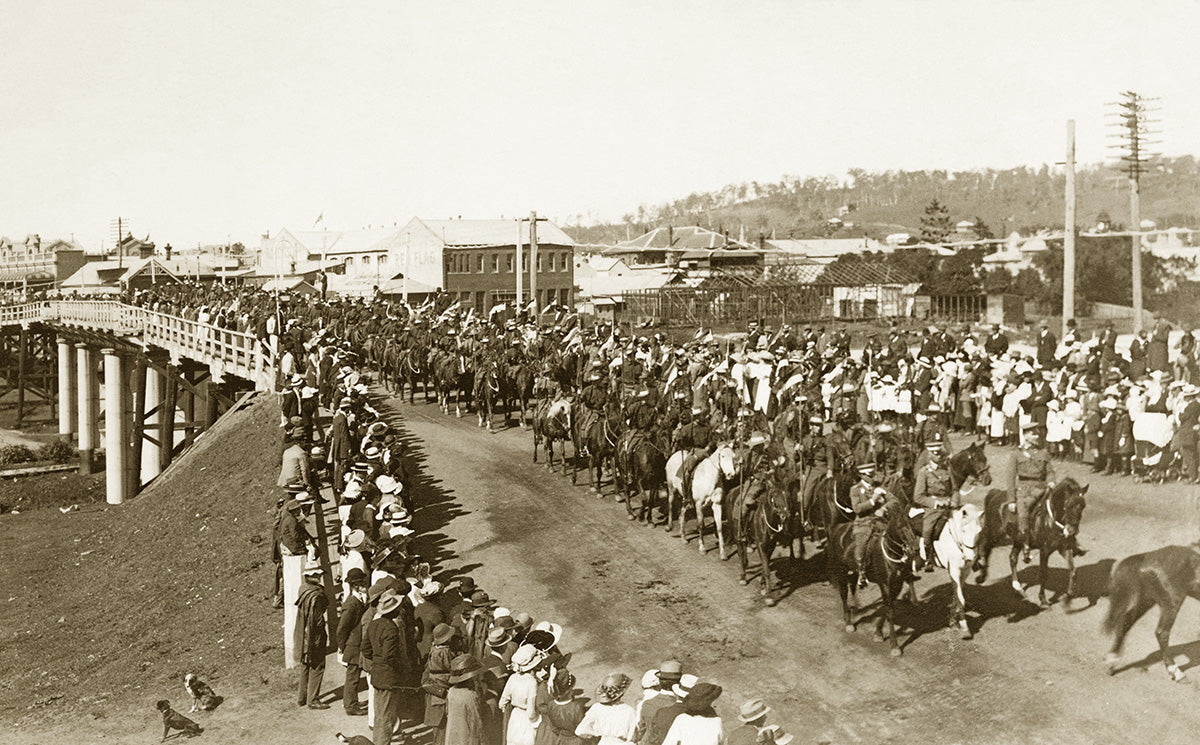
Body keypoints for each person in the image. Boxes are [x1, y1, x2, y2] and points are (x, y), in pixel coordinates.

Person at [361, 590, 406, 742]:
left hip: (377, 674)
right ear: (394, 611)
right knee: (386, 716)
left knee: (380, 713)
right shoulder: (392, 628)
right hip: (389, 677)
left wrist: (376, 661)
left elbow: (366, 649)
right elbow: (389, 656)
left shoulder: (374, 624)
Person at [913, 440, 956, 571]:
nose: (938, 456)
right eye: (935, 454)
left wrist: (954, 500)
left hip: (949, 506)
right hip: (934, 510)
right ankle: (927, 558)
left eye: (940, 453)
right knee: (927, 530)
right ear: (929, 455)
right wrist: (936, 503)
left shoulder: (947, 469)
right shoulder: (924, 472)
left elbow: (954, 489)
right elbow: (918, 497)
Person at [295, 564, 329, 709]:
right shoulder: (317, 594)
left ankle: (301, 697)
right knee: (317, 666)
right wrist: (319, 638)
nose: (319, 577)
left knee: (305, 665)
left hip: (302, 633)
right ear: (309, 576)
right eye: (316, 575)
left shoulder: (303, 589)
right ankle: (313, 699)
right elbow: (317, 620)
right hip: (314, 636)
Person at [336, 567, 369, 716]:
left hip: (358, 643)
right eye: (362, 583)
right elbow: (342, 629)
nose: (365, 585)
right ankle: (350, 705)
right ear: (355, 585)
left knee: (355, 675)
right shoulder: (350, 604)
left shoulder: (360, 599)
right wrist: (342, 647)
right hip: (353, 645)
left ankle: (352, 701)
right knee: (353, 677)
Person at [851, 462, 888, 590]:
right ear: (862, 475)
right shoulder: (855, 489)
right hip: (864, 522)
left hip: (881, 520)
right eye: (869, 475)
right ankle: (861, 573)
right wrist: (873, 500)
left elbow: (892, 500)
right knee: (860, 548)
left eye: (873, 474)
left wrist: (884, 507)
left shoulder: (878, 486)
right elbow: (856, 508)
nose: (872, 477)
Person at [500, 645, 544, 745]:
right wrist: (539, 722)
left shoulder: (512, 678)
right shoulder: (532, 682)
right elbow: (531, 713)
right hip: (526, 721)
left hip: (514, 719)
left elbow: (502, 702)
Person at [576, 672, 637, 744]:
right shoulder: (629, 711)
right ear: (622, 693)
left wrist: (596, 734)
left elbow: (580, 731)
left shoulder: (596, 708)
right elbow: (633, 736)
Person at [422, 624, 456, 745]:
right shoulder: (444, 652)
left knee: (438, 731)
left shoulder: (433, 650)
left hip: (435, 694)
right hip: (442, 695)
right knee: (442, 730)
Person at [444, 654, 489, 745]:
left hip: (452, 736)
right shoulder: (470, 695)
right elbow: (476, 722)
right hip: (466, 738)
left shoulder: (451, 691)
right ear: (470, 677)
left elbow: (447, 712)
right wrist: (484, 741)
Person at [534, 668, 586, 745]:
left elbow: (554, 728)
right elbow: (582, 728)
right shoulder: (576, 707)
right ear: (569, 690)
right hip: (574, 740)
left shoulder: (551, 704)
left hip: (560, 739)